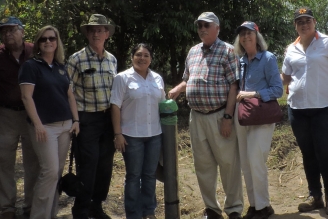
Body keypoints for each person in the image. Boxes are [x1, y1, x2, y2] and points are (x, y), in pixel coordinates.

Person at [168, 12, 243, 219]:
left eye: (206, 25)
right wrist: (177, 89)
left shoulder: (228, 50)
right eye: (199, 25)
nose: (202, 28)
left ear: (217, 28)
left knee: (229, 164)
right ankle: (211, 209)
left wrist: (228, 117)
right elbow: (188, 80)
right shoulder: (193, 52)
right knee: (203, 165)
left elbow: (233, 86)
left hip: (219, 115)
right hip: (196, 117)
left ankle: (234, 208)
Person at [281, 7, 328, 216]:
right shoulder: (291, 48)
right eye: (300, 22)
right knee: (308, 154)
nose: (304, 24)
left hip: (324, 108)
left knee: (326, 154)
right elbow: (286, 78)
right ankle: (315, 196)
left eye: (307, 20)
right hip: (297, 108)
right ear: (295, 25)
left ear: (314, 22)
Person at [19, 25, 80, 219]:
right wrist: (37, 124)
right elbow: (27, 98)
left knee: (56, 173)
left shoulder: (61, 68)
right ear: (38, 43)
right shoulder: (31, 66)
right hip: (44, 127)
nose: (48, 42)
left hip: (65, 126)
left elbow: (70, 97)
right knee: (50, 172)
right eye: (43, 39)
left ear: (57, 42)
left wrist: (76, 120)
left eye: (52, 38)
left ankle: (50, 214)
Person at [66, 14, 119, 219]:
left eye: (100, 30)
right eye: (92, 30)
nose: (96, 33)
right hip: (86, 120)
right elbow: (67, 91)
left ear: (107, 34)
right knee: (88, 166)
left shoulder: (112, 59)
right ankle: (81, 209)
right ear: (87, 34)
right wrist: (75, 120)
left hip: (108, 120)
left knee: (105, 166)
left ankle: (96, 207)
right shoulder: (76, 59)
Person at [0, 16, 40, 219]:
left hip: (31, 114)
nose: (7, 34)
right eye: (4, 31)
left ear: (22, 31)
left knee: (34, 159)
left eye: (12, 30)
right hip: (4, 113)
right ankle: (7, 207)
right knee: (2, 160)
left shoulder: (35, 51)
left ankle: (31, 205)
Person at [232, 21, 284, 219]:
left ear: (257, 36)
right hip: (243, 115)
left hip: (261, 115)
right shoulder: (241, 60)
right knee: (246, 162)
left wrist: (252, 94)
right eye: (242, 34)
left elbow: (277, 90)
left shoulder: (268, 58)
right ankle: (254, 205)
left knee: (256, 160)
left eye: (249, 33)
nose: (246, 37)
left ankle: (264, 207)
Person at [110, 44, 165, 219]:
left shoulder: (157, 78)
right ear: (132, 56)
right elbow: (115, 106)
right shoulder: (122, 78)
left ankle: (149, 211)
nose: (142, 58)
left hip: (154, 134)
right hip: (131, 136)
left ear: (151, 59)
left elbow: (162, 105)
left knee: (149, 175)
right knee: (133, 176)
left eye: (146, 55)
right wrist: (118, 134)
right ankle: (133, 213)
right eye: (139, 55)